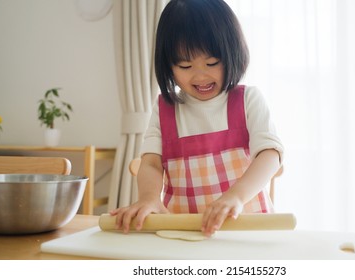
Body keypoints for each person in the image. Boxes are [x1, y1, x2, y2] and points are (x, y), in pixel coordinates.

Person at [110, 0, 284, 237]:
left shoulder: (247, 100)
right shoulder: (164, 109)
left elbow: (270, 154)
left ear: (233, 53)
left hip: (246, 231)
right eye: (185, 65)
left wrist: (235, 196)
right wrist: (149, 198)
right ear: (168, 66)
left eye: (212, 63)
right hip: (184, 234)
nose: (200, 75)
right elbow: (150, 163)